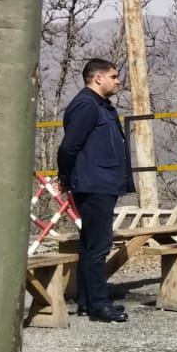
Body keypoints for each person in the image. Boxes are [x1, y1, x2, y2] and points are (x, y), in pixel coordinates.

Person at [56, 58, 134, 323]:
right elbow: (68, 148)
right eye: (113, 76)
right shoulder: (87, 105)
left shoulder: (101, 106)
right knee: (98, 245)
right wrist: (66, 179)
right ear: (97, 78)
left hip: (101, 182)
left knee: (91, 245)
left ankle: (88, 302)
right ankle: (100, 304)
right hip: (94, 184)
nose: (118, 80)